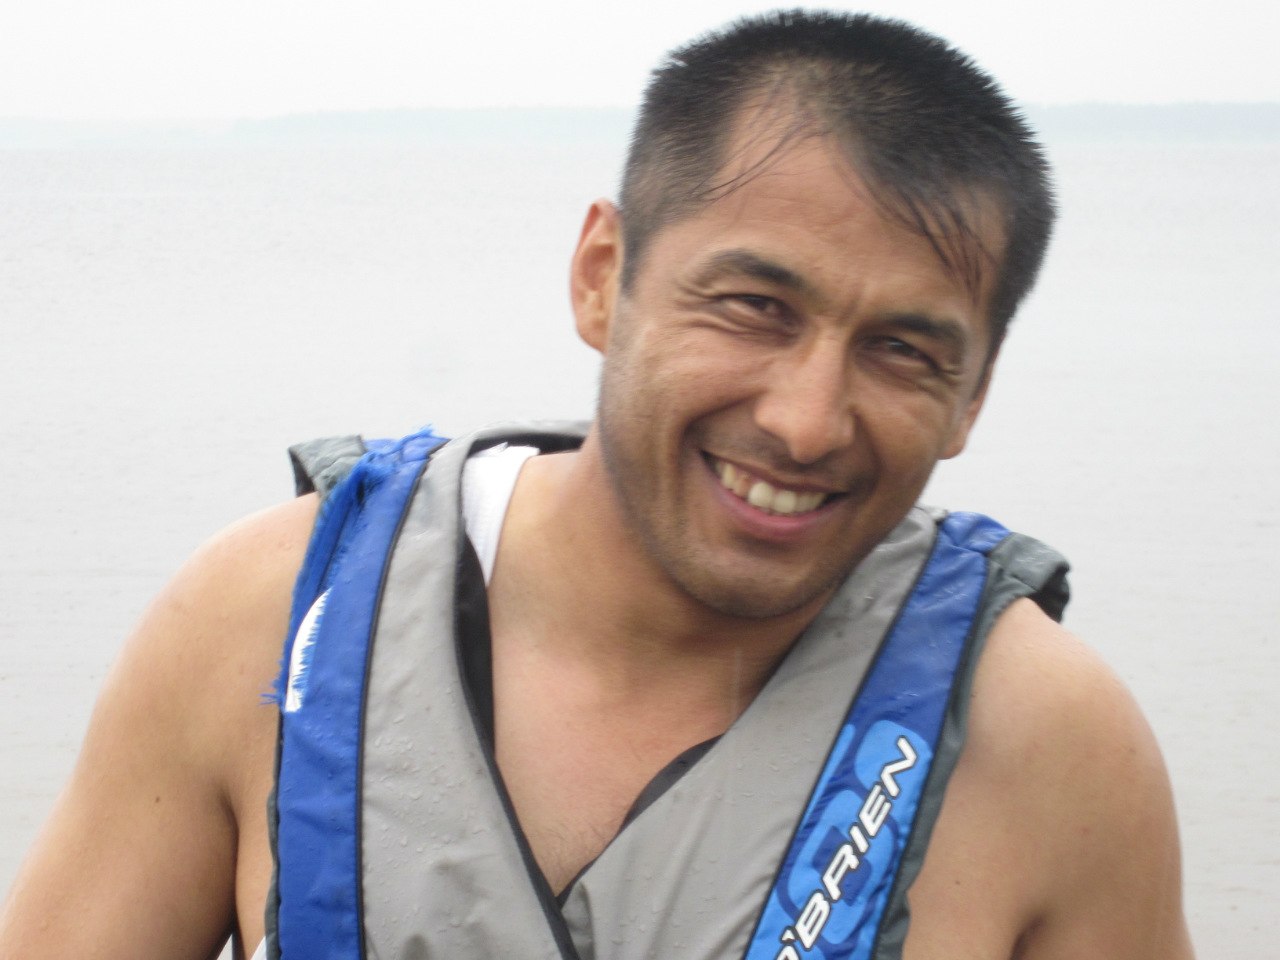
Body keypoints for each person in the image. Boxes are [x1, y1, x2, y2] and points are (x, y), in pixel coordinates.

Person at [0, 10, 1193, 960]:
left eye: (902, 351)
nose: (805, 420)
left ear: (971, 395)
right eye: (754, 307)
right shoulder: (272, 615)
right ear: (599, 276)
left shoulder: (1049, 745)